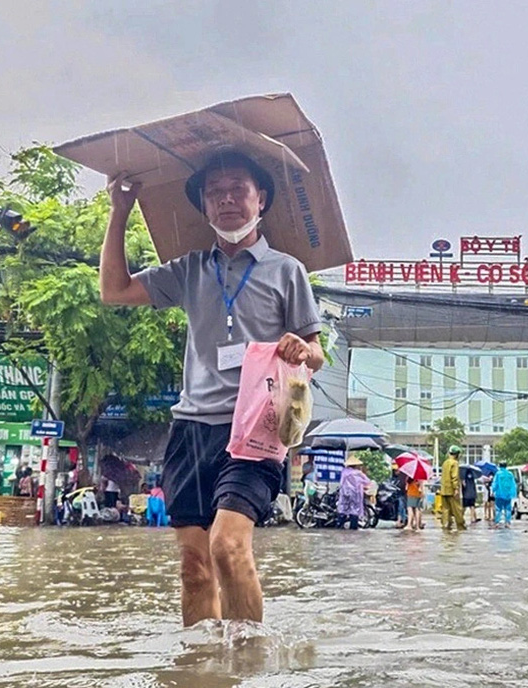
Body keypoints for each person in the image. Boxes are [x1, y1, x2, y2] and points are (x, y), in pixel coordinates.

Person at [99, 149, 324, 626]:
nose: (226, 200)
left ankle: (247, 664)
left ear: (260, 199)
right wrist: (120, 212)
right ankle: (201, 669)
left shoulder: (288, 271)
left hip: (256, 434)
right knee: (194, 568)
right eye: (214, 192)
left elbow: (316, 352)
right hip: (190, 430)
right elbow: (114, 291)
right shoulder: (189, 270)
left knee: (228, 547)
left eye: (237, 189)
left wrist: (302, 352)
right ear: (203, 205)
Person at [336, 456, 371, 530]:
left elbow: (341, 483)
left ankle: (339, 525)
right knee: (355, 509)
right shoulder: (358, 473)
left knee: (343, 508)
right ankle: (353, 527)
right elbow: (367, 481)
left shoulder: (344, 472)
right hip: (355, 493)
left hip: (345, 493)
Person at [439, 446, 466, 531]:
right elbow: (454, 477)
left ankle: (445, 525)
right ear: (457, 454)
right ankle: (460, 526)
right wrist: (456, 489)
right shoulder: (454, 463)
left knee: (445, 510)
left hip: (444, 490)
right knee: (457, 509)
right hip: (451, 490)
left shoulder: (445, 463)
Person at [490, 464, 517, 529]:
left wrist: (492, 491)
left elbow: (495, 483)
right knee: (508, 509)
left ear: (500, 466)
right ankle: (507, 522)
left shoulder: (498, 474)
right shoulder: (510, 474)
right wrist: (513, 493)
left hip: (499, 494)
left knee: (498, 509)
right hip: (508, 494)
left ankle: (497, 522)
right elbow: (513, 484)